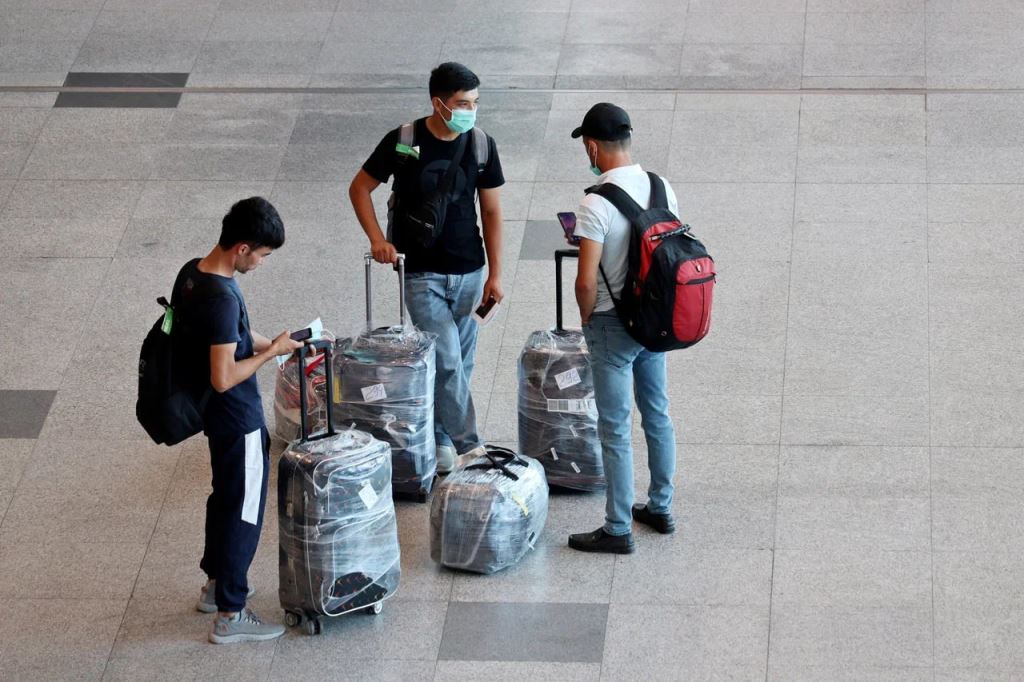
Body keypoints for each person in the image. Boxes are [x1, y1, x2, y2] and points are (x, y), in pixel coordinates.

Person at [349, 62, 505, 473]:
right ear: (439, 103)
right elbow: (360, 188)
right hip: (421, 273)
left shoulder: (481, 145)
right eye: (462, 103)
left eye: (475, 102)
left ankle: (439, 439)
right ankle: (470, 446)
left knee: (460, 363)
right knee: (449, 360)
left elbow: (491, 211)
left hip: (470, 270)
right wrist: (377, 240)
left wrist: (495, 274)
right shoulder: (404, 141)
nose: (470, 110)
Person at [171, 197, 302, 643]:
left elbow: (232, 338)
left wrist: (277, 344)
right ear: (242, 248)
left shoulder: (193, 274)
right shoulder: (223, 298)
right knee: (244, 511)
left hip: (214, 417)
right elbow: (224, 375)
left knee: (225, 498)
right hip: (237, 419)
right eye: (262, 255)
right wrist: (270, 355)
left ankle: (215, 586)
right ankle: (231, 611)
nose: (261, 263)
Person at [566, 103, 679, 554]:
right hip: (655, 319)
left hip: (612, 323)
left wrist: (585, 317)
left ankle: (617, 528)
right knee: (657, 412)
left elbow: (585, 281)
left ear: (592, 147)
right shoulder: (661, 186)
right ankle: (661, 507)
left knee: (614, 427)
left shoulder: (595, 203)